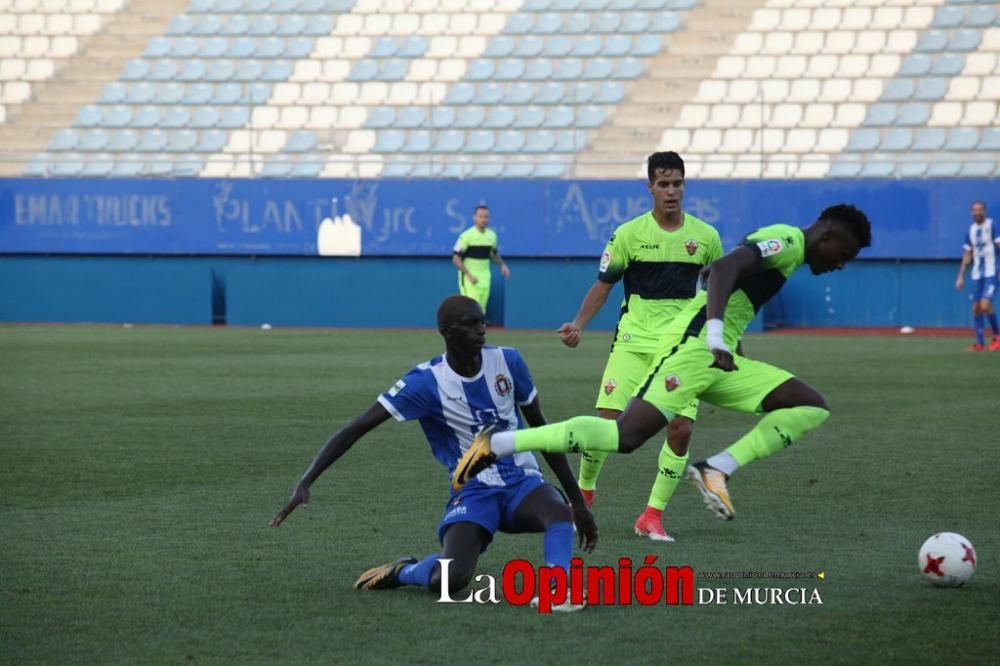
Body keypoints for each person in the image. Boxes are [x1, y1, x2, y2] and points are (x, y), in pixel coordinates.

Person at [452, 205, 872, 535]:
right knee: (625, 435)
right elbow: (725, 269)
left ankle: (716, 468)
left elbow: (721, 270)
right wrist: (713, 334)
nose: (841, 264)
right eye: (845, 254)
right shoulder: (789, 241)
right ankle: (498, 443)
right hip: (693, 349)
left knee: (810, 405)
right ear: (829, 235)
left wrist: (724, 336)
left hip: (717, 358)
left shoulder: (791, 251)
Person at [271, 295, 597, 611]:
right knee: (451, 579)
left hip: (522, 482)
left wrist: (578, 504)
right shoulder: (425, 383)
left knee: (560, 512)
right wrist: (306, 480)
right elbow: (356, 428)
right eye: (470, 325)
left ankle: (559, 586)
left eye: (482, 323)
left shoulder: (509, 362)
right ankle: (402, 571)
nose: (481, 331)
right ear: (446, 332)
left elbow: (545, 434)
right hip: (473, 491)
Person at [556, 151, 723, 542]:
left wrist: (724, 340)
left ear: (685, 186)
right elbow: (604, 284)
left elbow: (719, 291)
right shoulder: (629, 234)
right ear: (650, 187)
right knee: (606, 422)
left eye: (677, 183)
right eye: (663, 184)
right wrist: (579, 324)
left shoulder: (706, 237)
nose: (671, 191)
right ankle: (584, 493)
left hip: (683, 349)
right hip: (633, 341)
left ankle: (651, 515)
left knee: (680, 430)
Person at [954, 201, 1000, 352]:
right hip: (976, 274)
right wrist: (960, 276)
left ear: (985, 211)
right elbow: (967, 254)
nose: (977, 213)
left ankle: (997, 335)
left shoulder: (992, 225)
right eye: (974, 210)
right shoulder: (971, 231)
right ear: (971, 213)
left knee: (985, 304)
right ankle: (979, 344)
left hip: (992, 271)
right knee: (976, 308)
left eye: (980, 210)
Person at [452, 205, 510, 315]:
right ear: (474, 218)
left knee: (481, 311)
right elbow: (456, 258)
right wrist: (468, 274)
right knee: (470, 309)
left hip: (485, 277)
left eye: (486, 217)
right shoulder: (466, 236)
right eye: (480, 216)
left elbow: (493, 254)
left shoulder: (492, 236)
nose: (483, 219)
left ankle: (476, 332)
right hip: (470, 278)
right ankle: (465, 332)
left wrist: (502, 265)